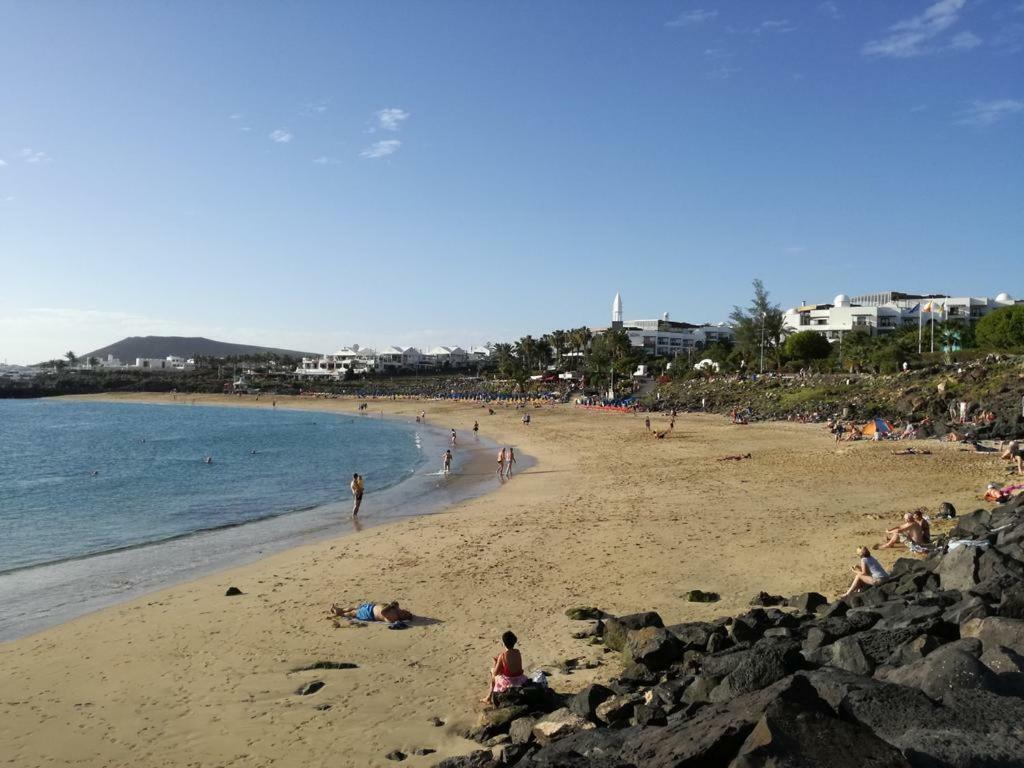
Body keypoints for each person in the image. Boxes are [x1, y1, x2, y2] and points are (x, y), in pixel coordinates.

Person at [482, 631, 528, 705]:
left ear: (503, 643)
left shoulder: (503, 655)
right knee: (500, 671)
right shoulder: (517, 652)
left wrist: (495, 663)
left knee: (492, 672)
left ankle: (489, 697)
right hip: (520, 678)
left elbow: (495, 672)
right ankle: (488, 697)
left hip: (510, 681)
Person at [332, 601, 413, 623]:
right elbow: (395, 604)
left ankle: (339, 613)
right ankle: (340, 609)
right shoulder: (398, 611)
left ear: (402, 618)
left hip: (369, 614)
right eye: (406, 611)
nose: (404, 611)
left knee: (353, 613)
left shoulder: (394, 618)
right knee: (356, 607)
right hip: (371, 607)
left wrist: (391, 606)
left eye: (405, 613)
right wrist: (395, 604)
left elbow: (383, 612)